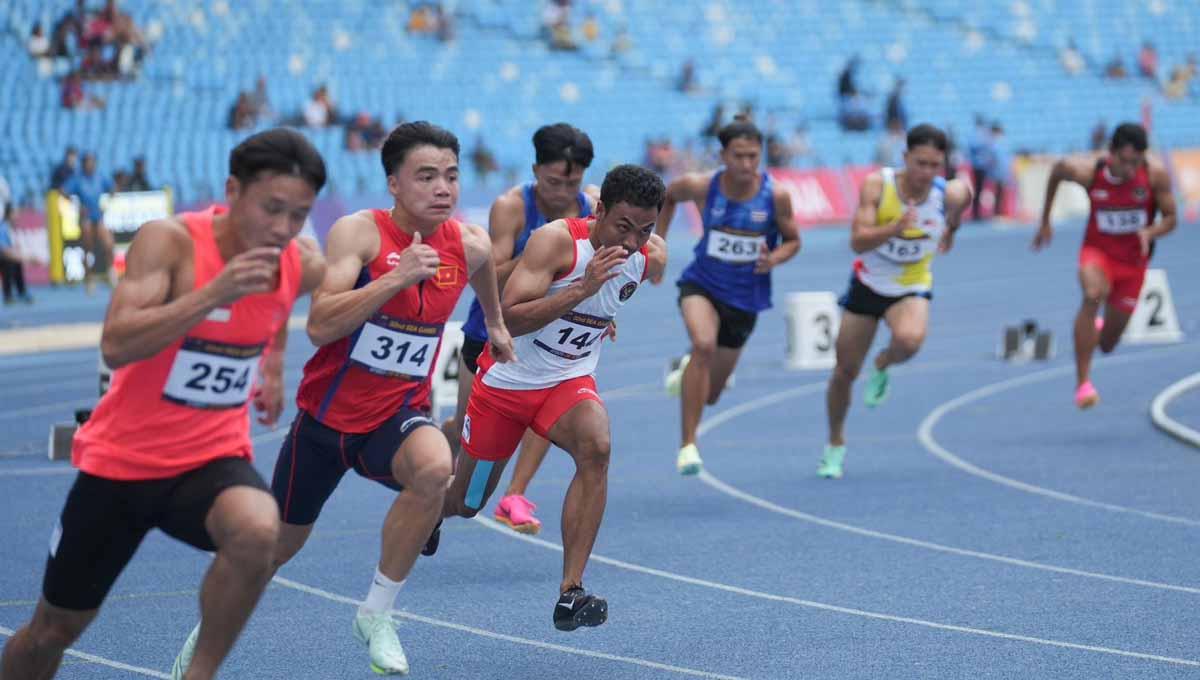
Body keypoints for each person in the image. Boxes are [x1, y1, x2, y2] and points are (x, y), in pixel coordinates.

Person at [171, 121, 514, 678]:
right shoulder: (360, 235)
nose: (443, 188)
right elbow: (321, 325)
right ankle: (205, 634)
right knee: (272, 551)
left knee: (434, 469)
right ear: (394, 185)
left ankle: (377, 614)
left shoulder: (469, 243)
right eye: (425, 176)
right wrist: (393, 281)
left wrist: (496, 324)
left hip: (396, 415)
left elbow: (484, 272)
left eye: (451, 175)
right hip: (325, 425)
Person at [0, 128, 328, 680]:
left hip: (209, 457)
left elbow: (287, 294)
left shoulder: (297, 261)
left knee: (257, 528)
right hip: (122, 464)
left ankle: (197, 673)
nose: (282, 229)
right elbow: (117, 342)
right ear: (233, 190)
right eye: (272, 209)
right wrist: (213, 294)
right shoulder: (170, 242)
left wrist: (272, 359)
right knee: (53, 631)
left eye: (298, 216)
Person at [440, 164, 665, 632]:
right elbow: (509, 318)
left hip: (566, 381)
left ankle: (571, 592)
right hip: (507, 385)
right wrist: (583, 290)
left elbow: (609, 299)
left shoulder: (649, 257)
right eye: (623, 226)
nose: (631, 242)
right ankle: (426, 511)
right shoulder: (557, 242)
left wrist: (600, 314)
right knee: (467, 503)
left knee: (597, 448)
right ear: (599, 210)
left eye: (645, 230)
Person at [444, 123, 599, 535]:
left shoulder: (591, 206)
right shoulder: (511, 206)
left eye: (573, 181)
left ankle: (516, 492)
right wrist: (542, 249)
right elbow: (488, 271)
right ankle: (433, 479)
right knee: (463, 433)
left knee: (550, 406)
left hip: (550, 331)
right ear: (535, 170)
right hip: (491, 331)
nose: (563, 192)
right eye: (553, 181)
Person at [819, 124, 971, 479]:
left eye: (935, 165)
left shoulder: (950, 192)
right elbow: (857, 241)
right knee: (843, 372)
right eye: (920, 163)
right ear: (905, 158)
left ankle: (884, 363)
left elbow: (962, 204)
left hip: (911, 283)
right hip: (869, 283)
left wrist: (952, 229)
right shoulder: (879, 185)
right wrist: (893, 229)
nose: (927, 173)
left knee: (910, 340)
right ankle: (835, 444)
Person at [655, 119, 800, 476]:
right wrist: (655, 248)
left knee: (712, 394)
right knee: (703, 344)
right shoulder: (702, 186)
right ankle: (688, 446)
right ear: (722, 155)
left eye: (754, 156)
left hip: (745, 298)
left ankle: (686, 373)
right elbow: (668, 196)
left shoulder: (776, 196)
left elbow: (794, 240)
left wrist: (775, 258)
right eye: (739, 156)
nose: (747, 164)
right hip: (702, 284)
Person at [1032, 122, 1177, 409]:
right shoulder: (1089, 172)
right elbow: (1058, 170)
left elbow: (1172, 219)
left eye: (1136, 162)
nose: (1130, 169)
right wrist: (1045, 220)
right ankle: (1083, 384)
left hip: (1133, 265)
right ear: (1111, 153)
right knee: (1092, 294)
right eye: (1124, 162)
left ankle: (1095, 328)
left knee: (1108, 345)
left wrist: (1150, 232)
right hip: (1097, 252)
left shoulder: (1154, 175)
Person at [60, 151, 115, 291]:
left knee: (108, 244)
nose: (89, 165)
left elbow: (113, 189)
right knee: (87, 247)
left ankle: (110, 273)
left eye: (91, 162)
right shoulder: (77, 179)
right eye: (86, 162)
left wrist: (106, 203)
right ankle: (89, 277)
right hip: (86, 218)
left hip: (99, 216)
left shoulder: (100, 177)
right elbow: (63, 192)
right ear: (83, 164)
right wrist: (76, 204)